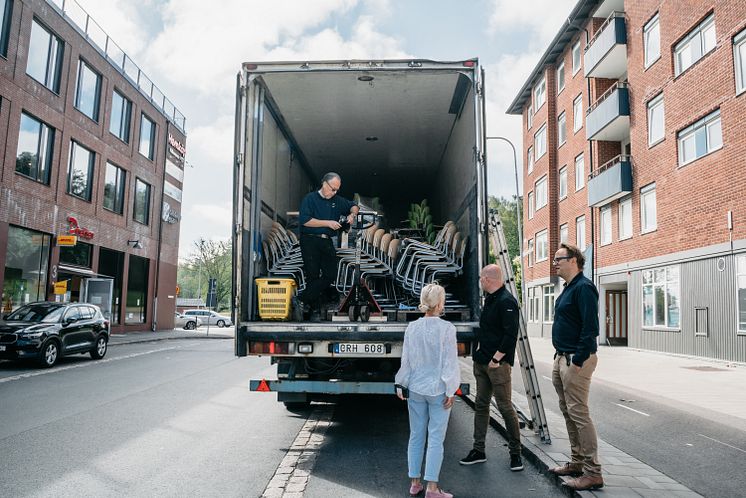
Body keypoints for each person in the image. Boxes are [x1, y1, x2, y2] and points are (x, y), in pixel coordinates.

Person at [395, 283, 460, 498]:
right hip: (438, 389)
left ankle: (415, 482)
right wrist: (451, 389)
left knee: (416, 435)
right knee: (435, 438)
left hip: (416, 387)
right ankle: (432, 488)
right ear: (440, 303)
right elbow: (450, 363)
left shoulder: (412, 328)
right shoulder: (447, 329)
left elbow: (407, 360)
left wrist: (400, 383)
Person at [548, 243, 604, 491]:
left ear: (574, 260)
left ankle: (593, 473)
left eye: (558, 259)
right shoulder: (569, 288)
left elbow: (591, 329)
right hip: (562, 357)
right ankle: (577, 462)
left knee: (579, 414)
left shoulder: (584, 288)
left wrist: (578, 362)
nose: (555, 263)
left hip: (575, 360)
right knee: (568, 412)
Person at [459, 264, 523, 472]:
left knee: (505, 407)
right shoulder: (490, 299)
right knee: (481, 405)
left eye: (481, 278)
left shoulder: (507, 302)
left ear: (488, 279)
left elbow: (510, 335)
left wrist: (496, 359)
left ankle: (516, 455)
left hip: (498, 365)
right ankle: (479, 451)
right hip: (482, 362)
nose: (479, 281)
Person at [294, 172, 358, 321]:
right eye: (332, 189)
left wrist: (352, 215)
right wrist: (327, 222)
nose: (334, 192)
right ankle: (313, 312)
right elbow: (305, 221)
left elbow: (354, 205)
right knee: (313, 276)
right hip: (309, 240)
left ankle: (301, 299)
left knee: (331, 274)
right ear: (324, 184)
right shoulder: (309, 199)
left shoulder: (337, 200)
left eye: (337, 190)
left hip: (326, 240)